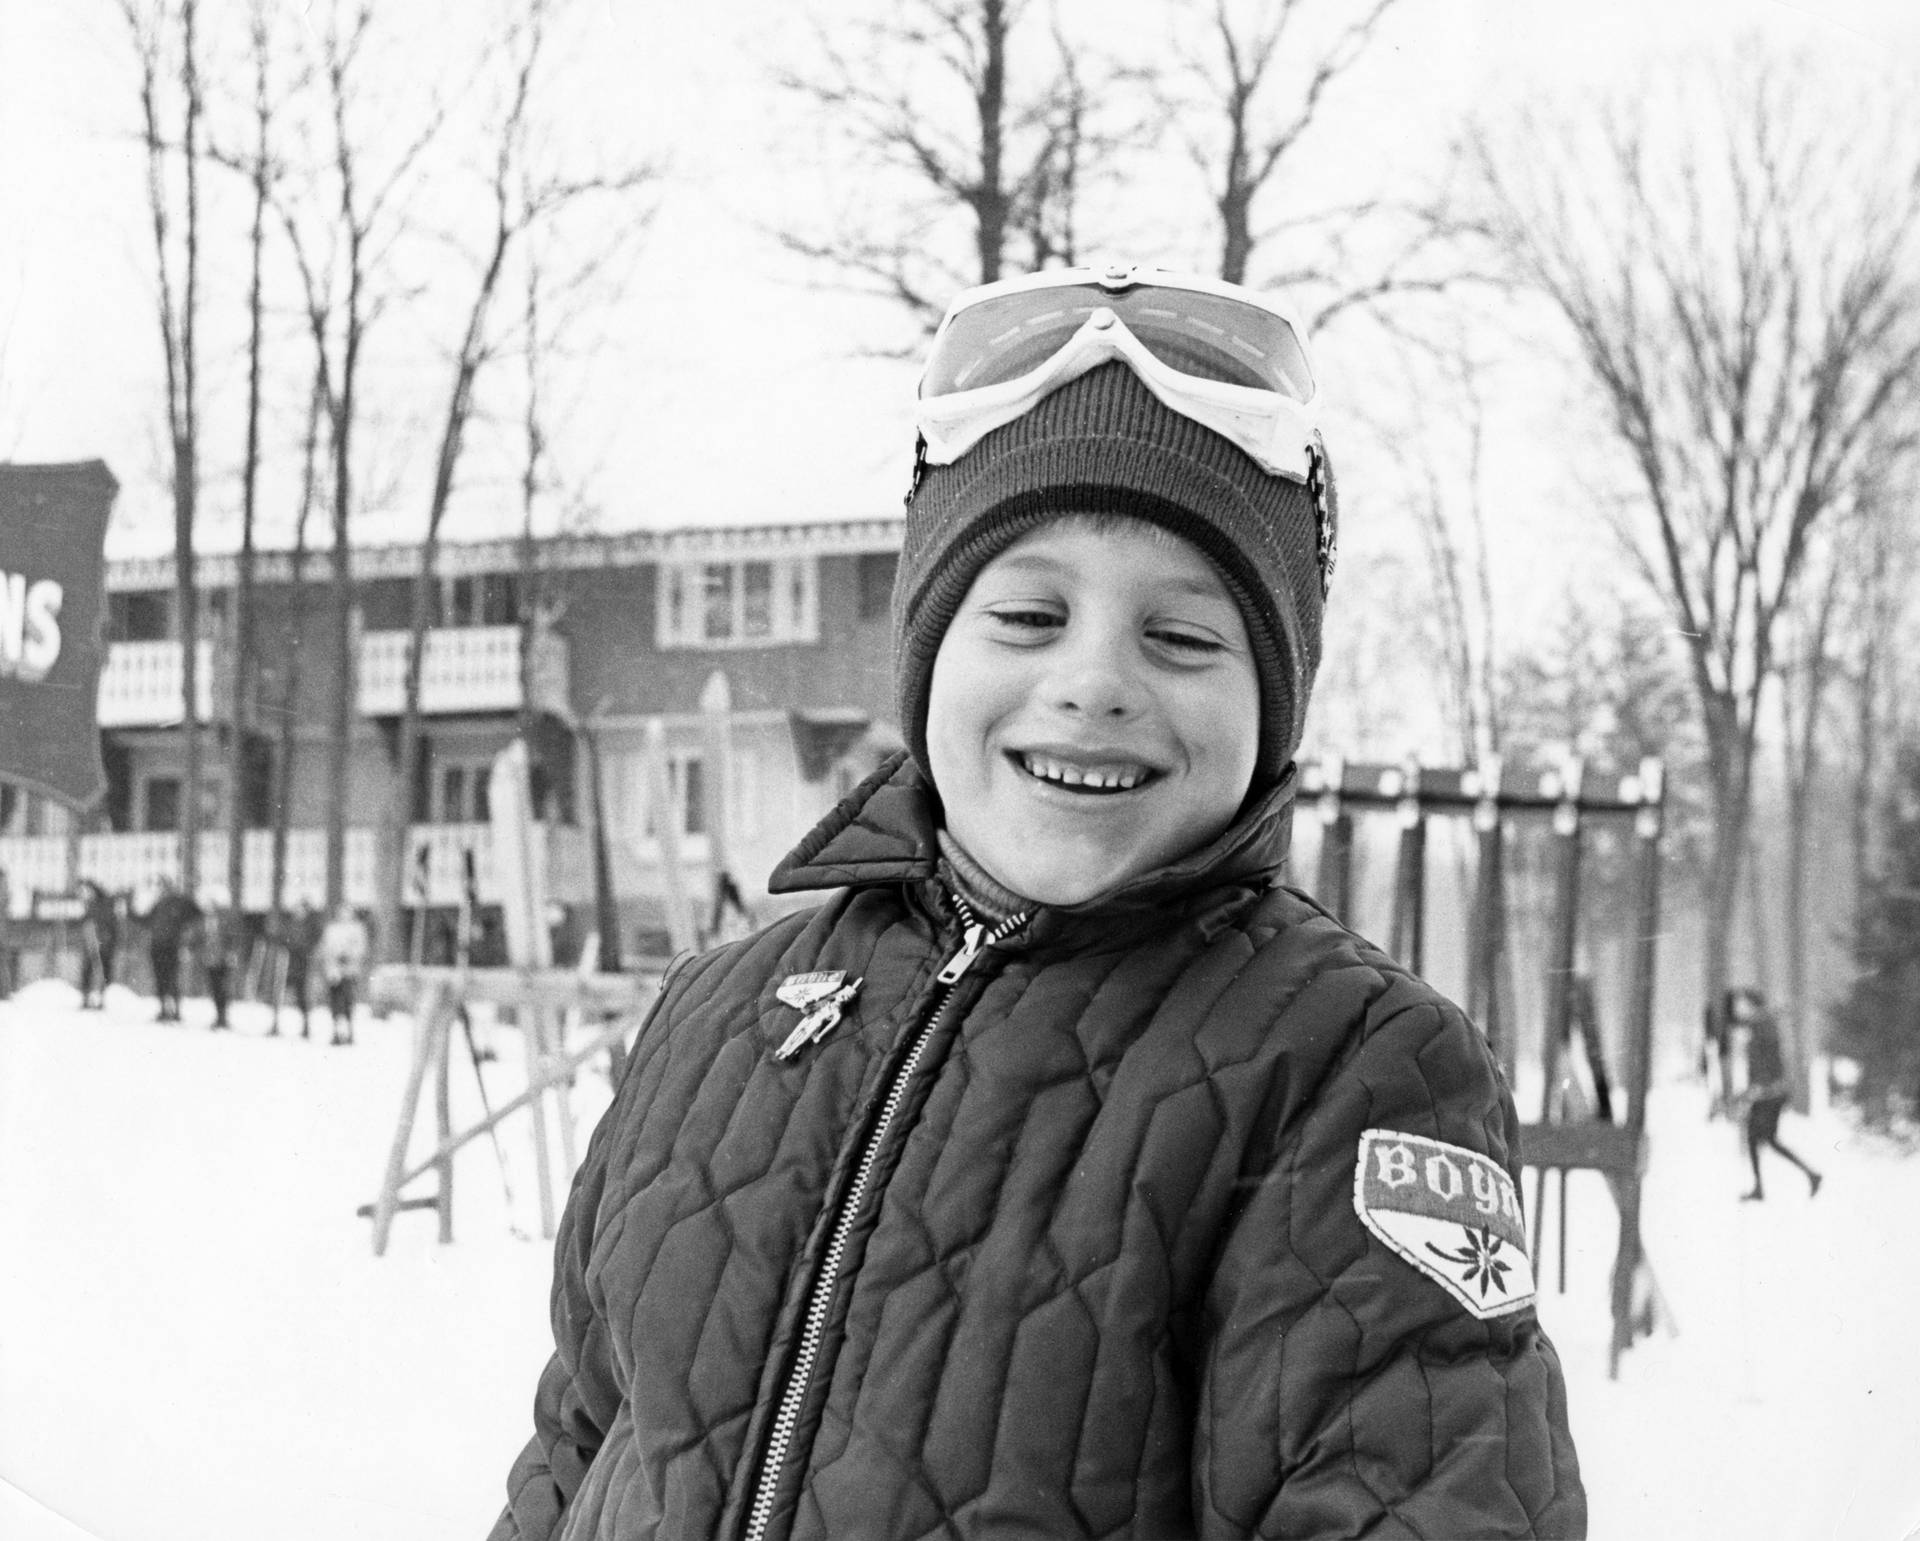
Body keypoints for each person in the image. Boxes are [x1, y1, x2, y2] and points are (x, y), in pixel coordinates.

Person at [490, 265, 1585, 1540]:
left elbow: (1423, 1496)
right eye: (1026, 614)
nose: (1093, 681)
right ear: (929, 652)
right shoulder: (712, 1016)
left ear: (1272, 708)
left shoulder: (1352, 1064)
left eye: (1181, 638)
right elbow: (580, 1441)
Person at [1734, 989, 1823, 1202]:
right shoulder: (1761, 1025)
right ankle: (1806, 1176)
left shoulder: (1763, 1026)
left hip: (1769, 1094)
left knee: (1761, 1138)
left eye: (1744, 1005)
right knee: (1761, 1139)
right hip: (1768, 1092)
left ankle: (1807, 1175)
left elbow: (1769, 1062)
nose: (1742, 1011)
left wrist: (1759, 1088)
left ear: (1752, 1006)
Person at [143, 877, 198, 1024]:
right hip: (157, 946)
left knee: (172, 979)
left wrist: (187, 937)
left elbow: (195, 915)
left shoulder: (180, 903)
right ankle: (163, 1009)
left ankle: (176, 1011)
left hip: (172, 946)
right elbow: (145, 921)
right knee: (160, 979)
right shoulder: (157, 905)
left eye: (163, 887)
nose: (161, 890)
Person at [319, 904, 369, 1047]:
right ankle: (335, 1032)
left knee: (348, 1001)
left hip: (350, 971)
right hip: (334, 971)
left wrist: (349, 956)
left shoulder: (357, 929)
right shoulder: (332, 929)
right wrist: (333, 961)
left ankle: (349, 1032)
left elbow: (361, 948)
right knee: (334, 1002)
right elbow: (326, 948)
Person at [195, 887, 240, 1031]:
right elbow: (199, 939)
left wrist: (232, 953)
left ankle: (223, 1017)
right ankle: (218, 1016)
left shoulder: (224, 920)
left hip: (223, 959)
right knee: (214, 989)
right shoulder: (203, 922)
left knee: (223, 988)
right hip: (209, 959)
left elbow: (232, 938)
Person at [78, 879, 121, 1009]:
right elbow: (86, 922)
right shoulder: (93, 905)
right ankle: (87, 998)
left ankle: (100, 998)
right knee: (89, 971)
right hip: (93, 942)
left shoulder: (103, 905)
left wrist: (106, 939)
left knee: (101, 971)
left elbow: (110, 926)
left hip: (103, 943)